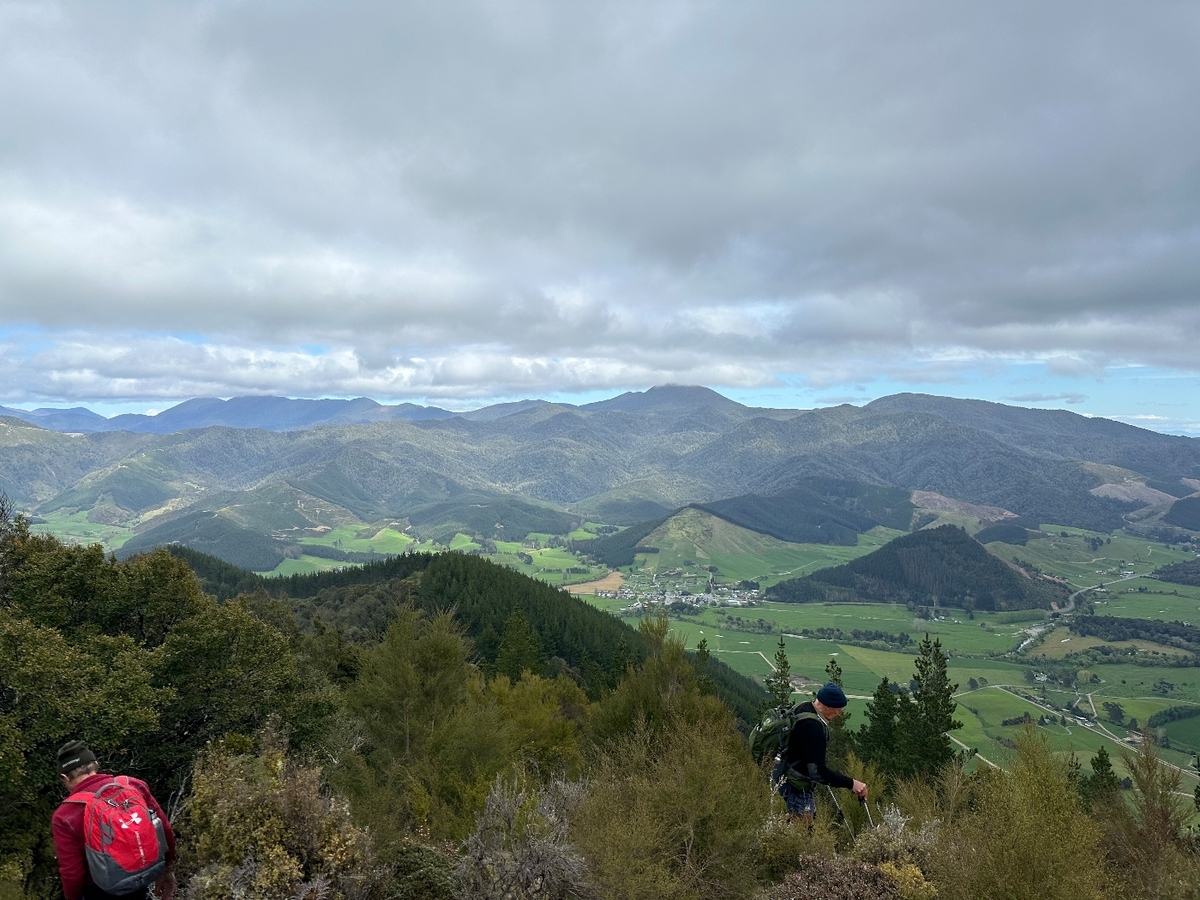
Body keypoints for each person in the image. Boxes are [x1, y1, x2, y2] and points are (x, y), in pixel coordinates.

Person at [51, 740, 178, 900]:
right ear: (95, 765)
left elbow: (72, 873)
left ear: (65, 777)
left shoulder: (65, 815)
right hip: (142, 877)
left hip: (101, 890)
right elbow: (163, 829)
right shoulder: (133, 785)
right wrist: (166, 870)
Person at [775, 683, 868, 818]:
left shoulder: (803, 708)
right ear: (827, 706)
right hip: (796, 783)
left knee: (795, 823)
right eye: (838, 709)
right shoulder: (813, 727)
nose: (839, 713)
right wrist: (852, 784)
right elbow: (817, 772)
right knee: (802, 827)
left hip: (781, 772)